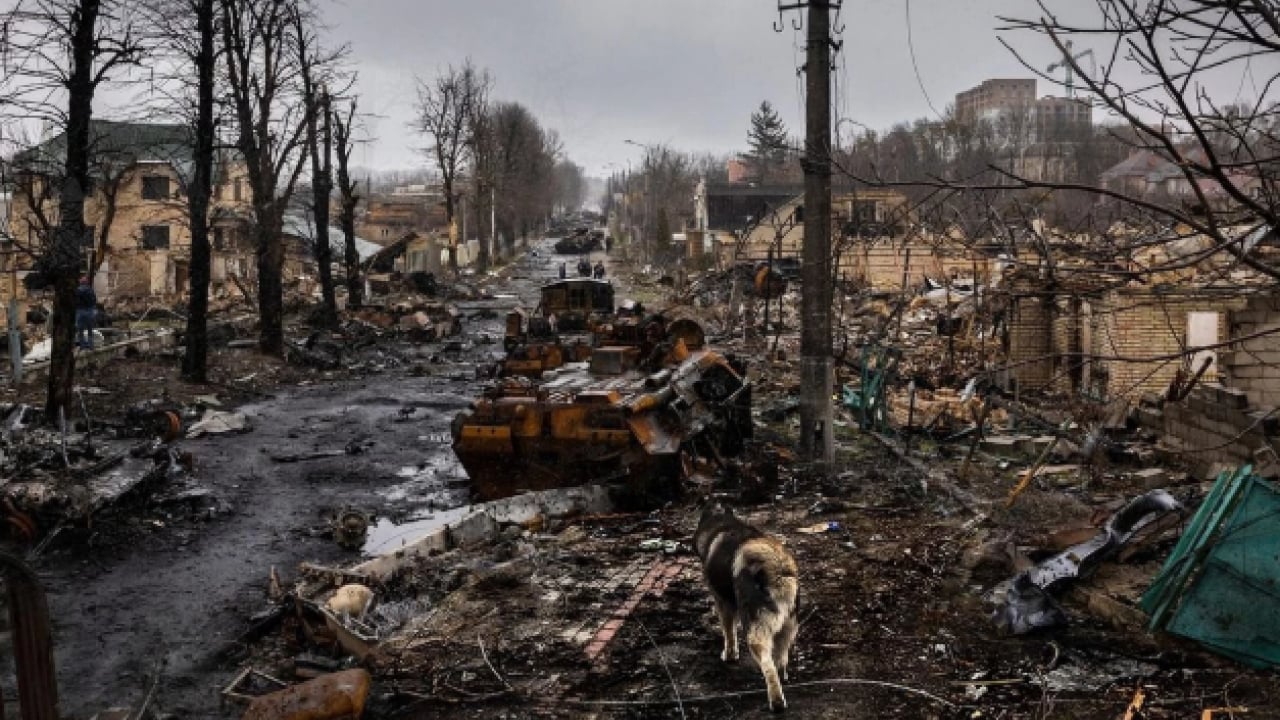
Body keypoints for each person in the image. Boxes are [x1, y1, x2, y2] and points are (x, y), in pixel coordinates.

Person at [75, 276, 97, 349]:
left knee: (80, 329)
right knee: (90, 328)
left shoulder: (77, 290)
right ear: (87, 282)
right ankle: (91, 345)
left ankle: (82, 345)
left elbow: (75, 301)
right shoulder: (91, 290)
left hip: (80, 311)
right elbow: (94, 300)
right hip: (89, 311)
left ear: (80, 283)